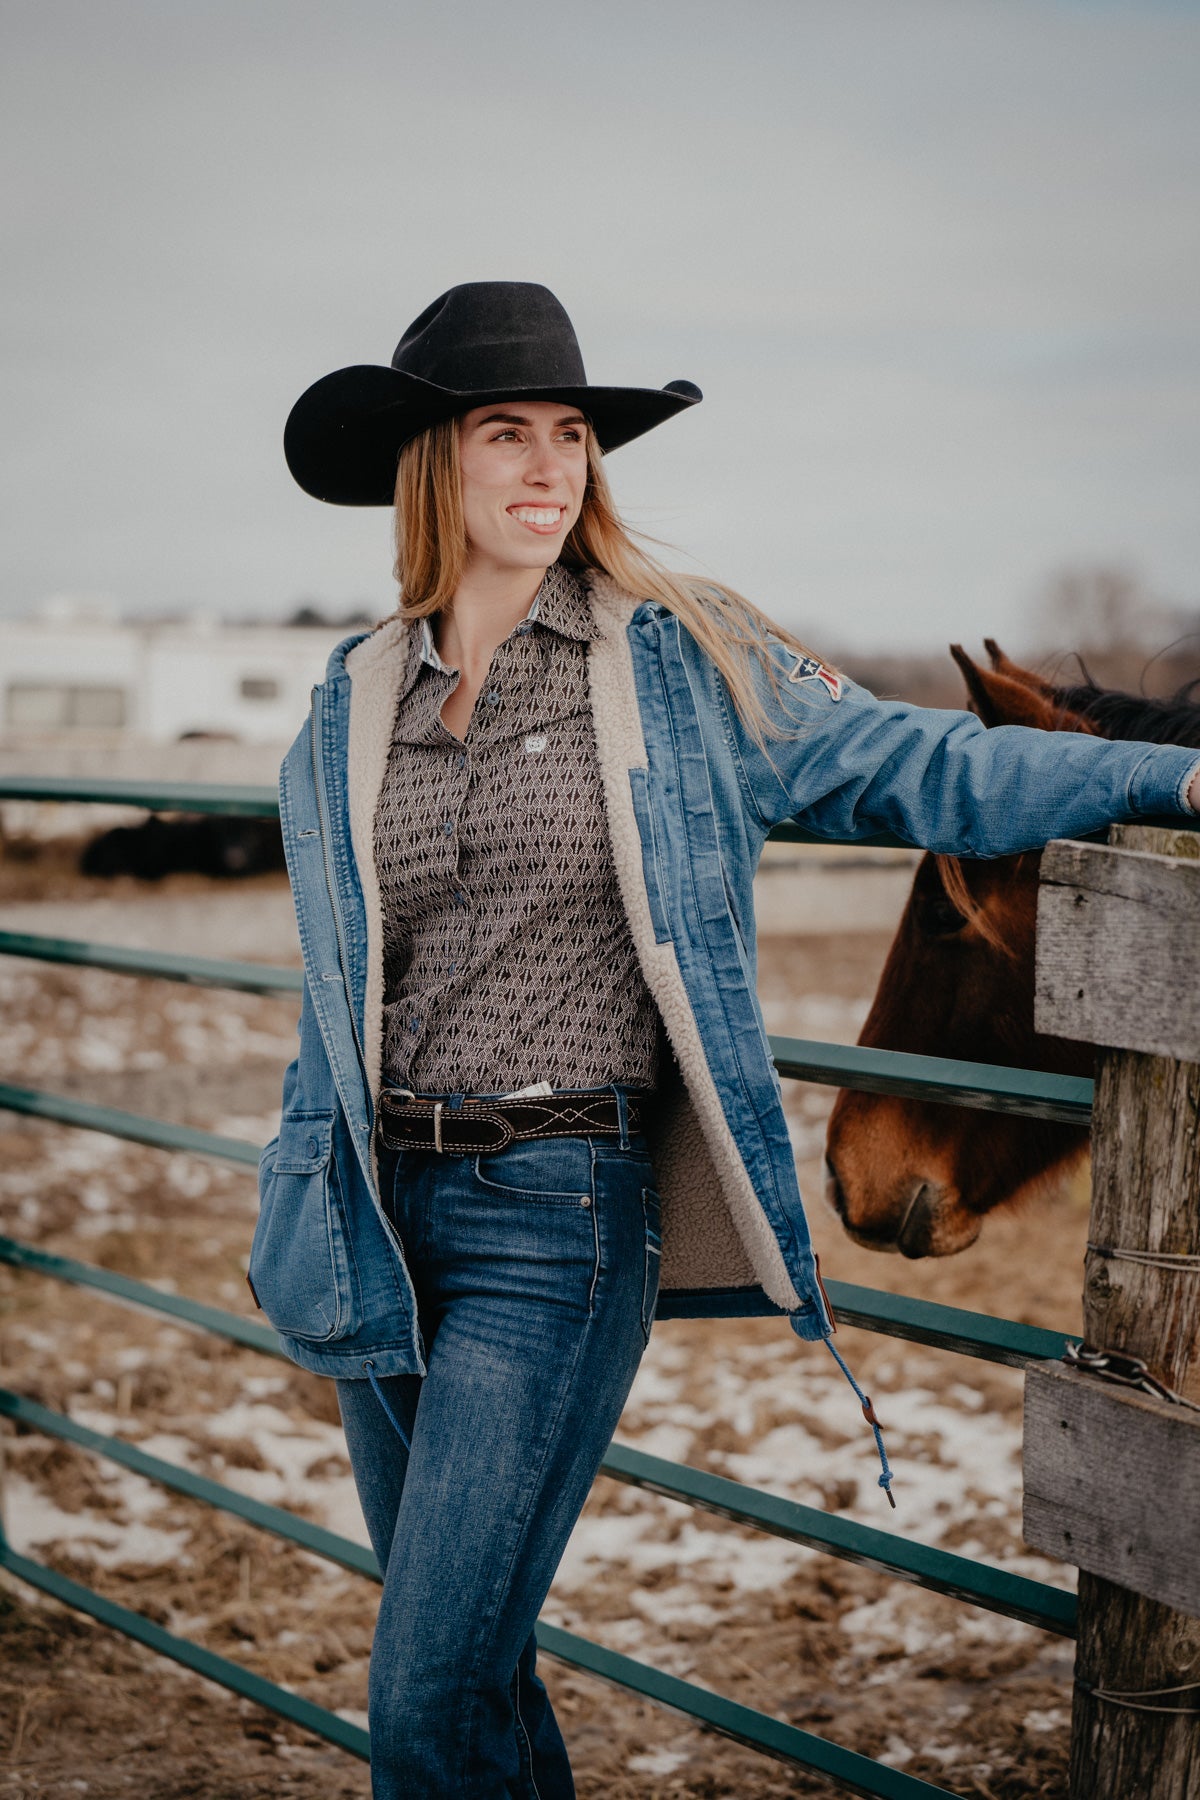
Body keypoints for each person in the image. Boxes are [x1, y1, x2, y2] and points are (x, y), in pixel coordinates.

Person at [256, 281, 1200, 1799]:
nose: (550, 465)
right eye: (508, 432)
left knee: (423, 1699)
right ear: (431, 464)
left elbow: (919, 764)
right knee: (475, 1676)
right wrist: (300, 1192)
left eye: (572, 434)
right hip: (376, 1217)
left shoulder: (680, 663)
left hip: (548, 1229)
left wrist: (1167, 787)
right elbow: (338, 983)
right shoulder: (351, 701)